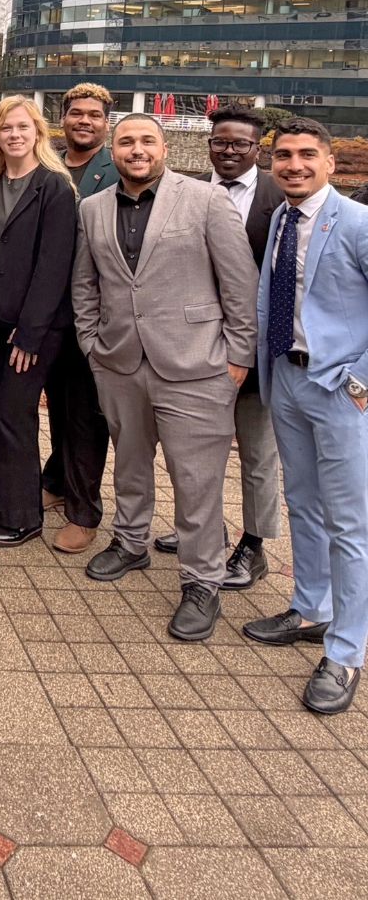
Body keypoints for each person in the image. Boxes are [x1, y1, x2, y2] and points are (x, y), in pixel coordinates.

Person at [73, 114, 258, 641]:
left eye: (146, 141)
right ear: (113, 150)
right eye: (126, 142)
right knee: (129, 461)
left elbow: (240, 285)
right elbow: (85, 285)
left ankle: (202, 581)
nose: (137, 150)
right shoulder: (92, 208)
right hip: (119, 362)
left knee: (196, 480)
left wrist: (237, 359)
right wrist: (92, 347)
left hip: (197, 365)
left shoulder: (205, 200)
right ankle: (131, 541)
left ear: (165, 147)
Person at [246, 117, 368, 714]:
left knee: (350, 524)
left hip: (340, 390)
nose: (294, 165)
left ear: (330, 163)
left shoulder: (359, 223)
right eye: (284, 155)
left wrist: (360, 383)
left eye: (306, 155)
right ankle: (312, 607)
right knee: (303, 502)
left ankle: (346, 650)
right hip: (287, 378)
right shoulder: (280, 217)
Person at [154, 104, 285, 587]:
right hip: (194, 349)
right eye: (220, 142)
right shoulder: (184, 190)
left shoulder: (279, 197)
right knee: (193, 451)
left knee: (256, 454)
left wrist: (254, 349)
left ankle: (254, 545)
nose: (229, 151)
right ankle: (203, 529)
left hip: (256, 351)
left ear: (258, 148)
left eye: (240, 144)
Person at [0, 97, 77, 548]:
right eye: (5, 128)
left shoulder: (54, 187)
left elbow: (55, 265)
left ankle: (23, 515)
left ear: (38, 132)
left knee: (15, 416)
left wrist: (32, 332)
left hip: (32, 327)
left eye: (22, 127)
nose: (14, 135)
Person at [41, 83, 118, 551]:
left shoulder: (115, 169)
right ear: (63, 118)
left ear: (105, 122)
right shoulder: (47, 163)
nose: (84, 120)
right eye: (76, 113)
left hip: (94, 312)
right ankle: (56, 479)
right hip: (48, 309)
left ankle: (84, 511)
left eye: (94, 114)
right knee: (57, 405)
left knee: (87, 415)